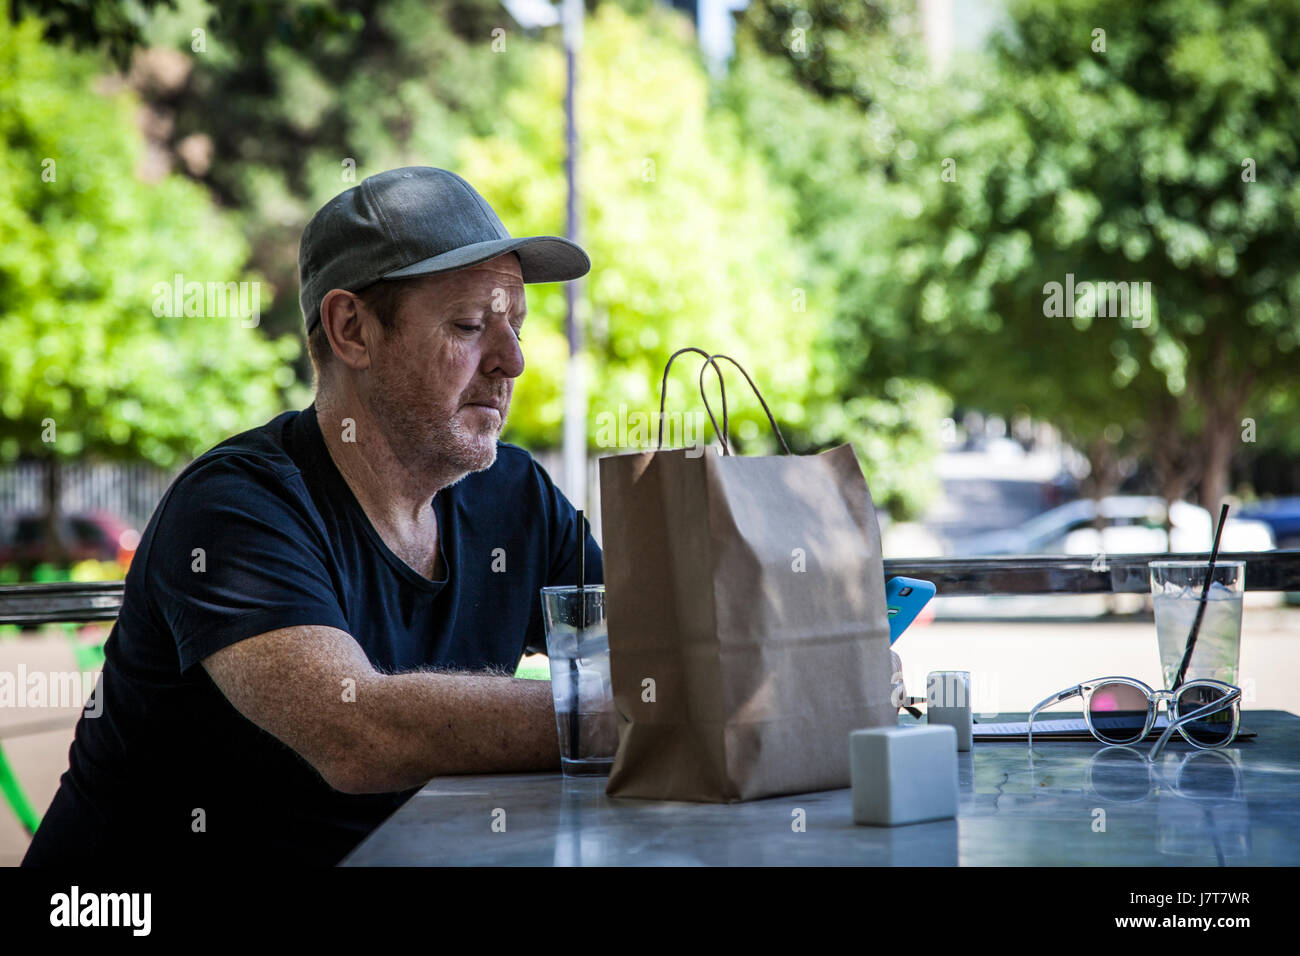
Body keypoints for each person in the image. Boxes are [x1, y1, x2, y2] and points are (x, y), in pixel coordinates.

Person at [22, 166, 600, 867]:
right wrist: (639, 715)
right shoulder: (235, 507)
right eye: (472, 325)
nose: (512, 361)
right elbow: (356, 733)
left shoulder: (515, 497)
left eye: (516, 326)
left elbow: (657, 645)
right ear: (351, 329)